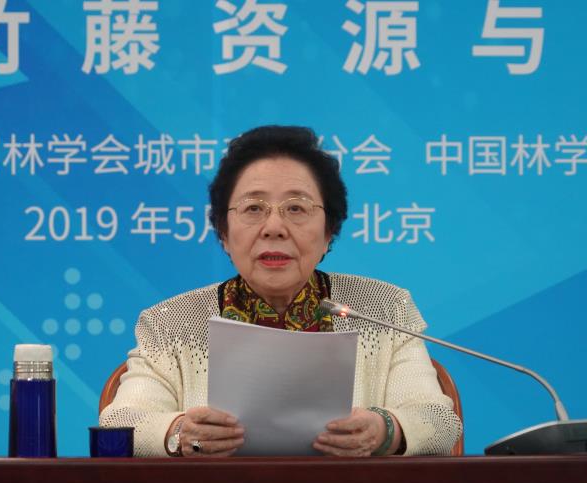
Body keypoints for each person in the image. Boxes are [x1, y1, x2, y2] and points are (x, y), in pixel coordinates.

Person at [100, 125, 462, 457]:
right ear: (224, 233)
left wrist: (385, 430)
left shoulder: (383, 309)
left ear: (329, 232)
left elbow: (439, 421)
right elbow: (119, 423)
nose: (274, 226)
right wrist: (179, 432)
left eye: (296, 208)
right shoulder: (172, 323)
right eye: (253, 208)